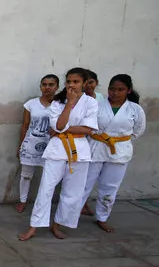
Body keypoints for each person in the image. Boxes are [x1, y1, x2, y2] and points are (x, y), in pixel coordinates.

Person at [19, 68, 98, 241]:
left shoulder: (91, 103)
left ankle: (57, 224)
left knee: (72, 192)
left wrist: (63, 129)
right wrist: (69, 104)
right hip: (56, 150)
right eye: (69, 81)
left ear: (84, 83)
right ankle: (34, 226)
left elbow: (88, 129)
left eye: (76, 82)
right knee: (45, 189)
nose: (71, 85)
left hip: (79, 151)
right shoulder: (57, 102)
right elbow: (58, 126)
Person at [81, 74, 146, 232]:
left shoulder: (135, 109)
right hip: (96, 146)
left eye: (120, 89)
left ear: (128, 90)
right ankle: (70, 215)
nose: (115, 93)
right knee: (84, 183)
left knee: (110, 187)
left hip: (119, 150)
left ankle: (102, 217)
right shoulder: (97, 105)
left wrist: (118, 140)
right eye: (112, 89)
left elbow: (138, 130)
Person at [15, 74, 59, 213]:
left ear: (57, 87)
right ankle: (23, 200)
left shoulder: (61, 105)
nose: (47, 87)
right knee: (26, 175)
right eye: (44, 84)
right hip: (31, 144)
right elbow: (25, 125)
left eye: (51, 85)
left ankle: (43, 203)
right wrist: (21, 145)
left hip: (52, 145)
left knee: (49, 176)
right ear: (40, 87)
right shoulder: (31, 104)